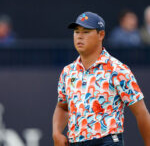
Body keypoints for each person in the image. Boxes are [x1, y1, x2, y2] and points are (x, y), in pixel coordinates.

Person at [52, 12, 150, 146]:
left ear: (101, 35)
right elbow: (63, 107)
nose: (79, 36)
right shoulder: (68, 72)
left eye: (86, 32)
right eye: (76, 32)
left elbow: (141, 113)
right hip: (75, 142)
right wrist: (56, 132)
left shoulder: (117, 69)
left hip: (107, 141)